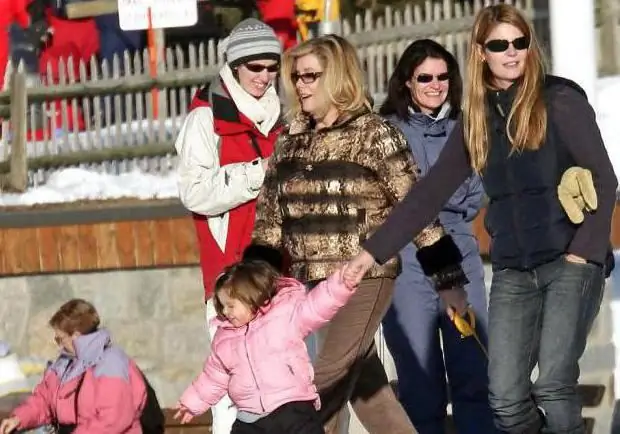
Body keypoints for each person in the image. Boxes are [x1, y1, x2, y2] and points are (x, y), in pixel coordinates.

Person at [344, 4, 617, 434]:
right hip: (513, 270)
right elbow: (425, 196)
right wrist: (370, 253)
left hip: (569, 263)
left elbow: (605, 178)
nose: (512, 53)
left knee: (551, 386)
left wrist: (583, 255)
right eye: (499, 45)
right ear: (480, 52)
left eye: (519, 42)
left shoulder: (559, 99)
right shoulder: (476, 120)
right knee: (506, 401)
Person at [250, 34, 468, 434]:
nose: (301, 85)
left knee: (325, 380)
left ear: (337, 77)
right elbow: (269, 221)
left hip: (364, 278)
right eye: (296, 77)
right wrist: (251, 286)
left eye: (311, 76)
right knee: (369, 393)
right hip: (310, 283)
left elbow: (416, 210)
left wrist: (448, 280)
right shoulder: (290, 139)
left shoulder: (374, 134)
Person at [378, 38, 495, 434]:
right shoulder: (387, 132)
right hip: (407, 260)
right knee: (420, 378)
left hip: (460, 251)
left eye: (443, 76)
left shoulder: (466, 128)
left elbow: (475, 194)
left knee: (475, 369)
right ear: (407, 82)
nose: (435, 84)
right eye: (424, 77)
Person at [175, 18, 283, 434]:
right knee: (232, 390)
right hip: (230, 273)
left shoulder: (282, 112)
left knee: (284, 384)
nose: (265, 76)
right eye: (255, 67)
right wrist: (260, 173)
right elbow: (195, 192)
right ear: (235, 66)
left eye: (271, 67)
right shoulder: (205, 118)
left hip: (281, 267)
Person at [173, 260, 357, 434]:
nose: (226, 312)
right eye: (222, 306)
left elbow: (316, 305)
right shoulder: (225, 338)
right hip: (250, 419)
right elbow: (214, 376)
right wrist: (193, 401)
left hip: (292, 408)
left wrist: (342, 283)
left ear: (251, 297)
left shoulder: (285, 315)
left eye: (230, 305)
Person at [0, 299, 147, 434]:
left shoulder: (111, 363)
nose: (58, 343)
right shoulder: (64, 364)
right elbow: (44, 400)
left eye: (60, 338)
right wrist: (19, 419)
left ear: (76, 336)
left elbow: (113, 419)